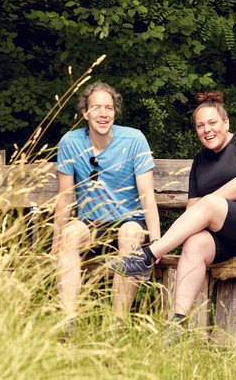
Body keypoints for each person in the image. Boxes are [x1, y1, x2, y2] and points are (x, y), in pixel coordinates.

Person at [112, 91, 236, 326]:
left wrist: (209, 206)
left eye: (213, 123)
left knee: (210, 203)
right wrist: (205, 211)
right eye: (200, 126)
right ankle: (176, 323)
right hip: (228, 239)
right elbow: (193, 210)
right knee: (194, 243)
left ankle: (149, 255)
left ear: (226, 122)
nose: (207, 130)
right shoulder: (201, 161)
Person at [52, 81, 161, 327]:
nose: (103, 114)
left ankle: (118, 322)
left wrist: (156, 242)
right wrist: (56, 241)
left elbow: (147, 196)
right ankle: (68, 320)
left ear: (115, 112)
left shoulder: (134, 139)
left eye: (109, 108)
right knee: (69, 235)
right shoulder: (70, 142)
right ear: (85, 113)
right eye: (97, 108)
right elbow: (65, 197)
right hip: (90, 223)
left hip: (129, 220)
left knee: (130, 234)